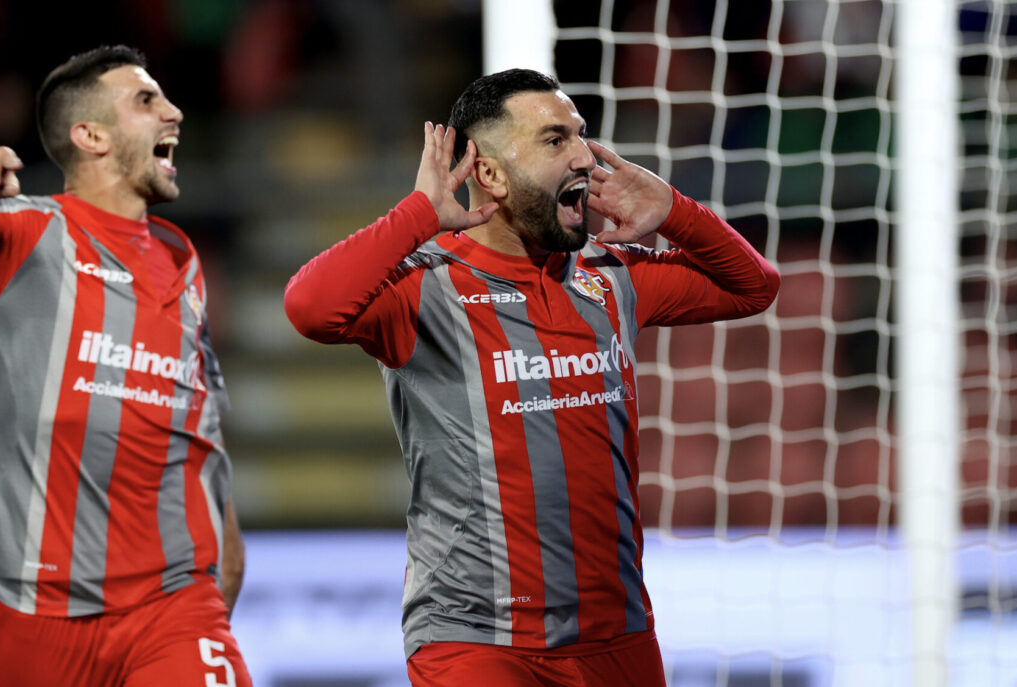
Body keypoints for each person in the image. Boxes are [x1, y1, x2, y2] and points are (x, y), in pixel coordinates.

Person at [284, 68, 780, 686]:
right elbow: (309, 308)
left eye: (581, 134)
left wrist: (674, 211)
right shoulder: (424, 287)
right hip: (477, 640)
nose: (584, 156)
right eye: (554, 140)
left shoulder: (611, 274)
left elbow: (754, 287)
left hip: (617, 635)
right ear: (488, 173)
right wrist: (418, 215)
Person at [0, 45, 251, 687]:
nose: (174, 112)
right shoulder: (22, 234)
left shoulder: (182, 262)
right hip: (37, 615)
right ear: (90, 135)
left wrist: (225, 553)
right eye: (147, 100)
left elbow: (197, 424)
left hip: (173, 607)